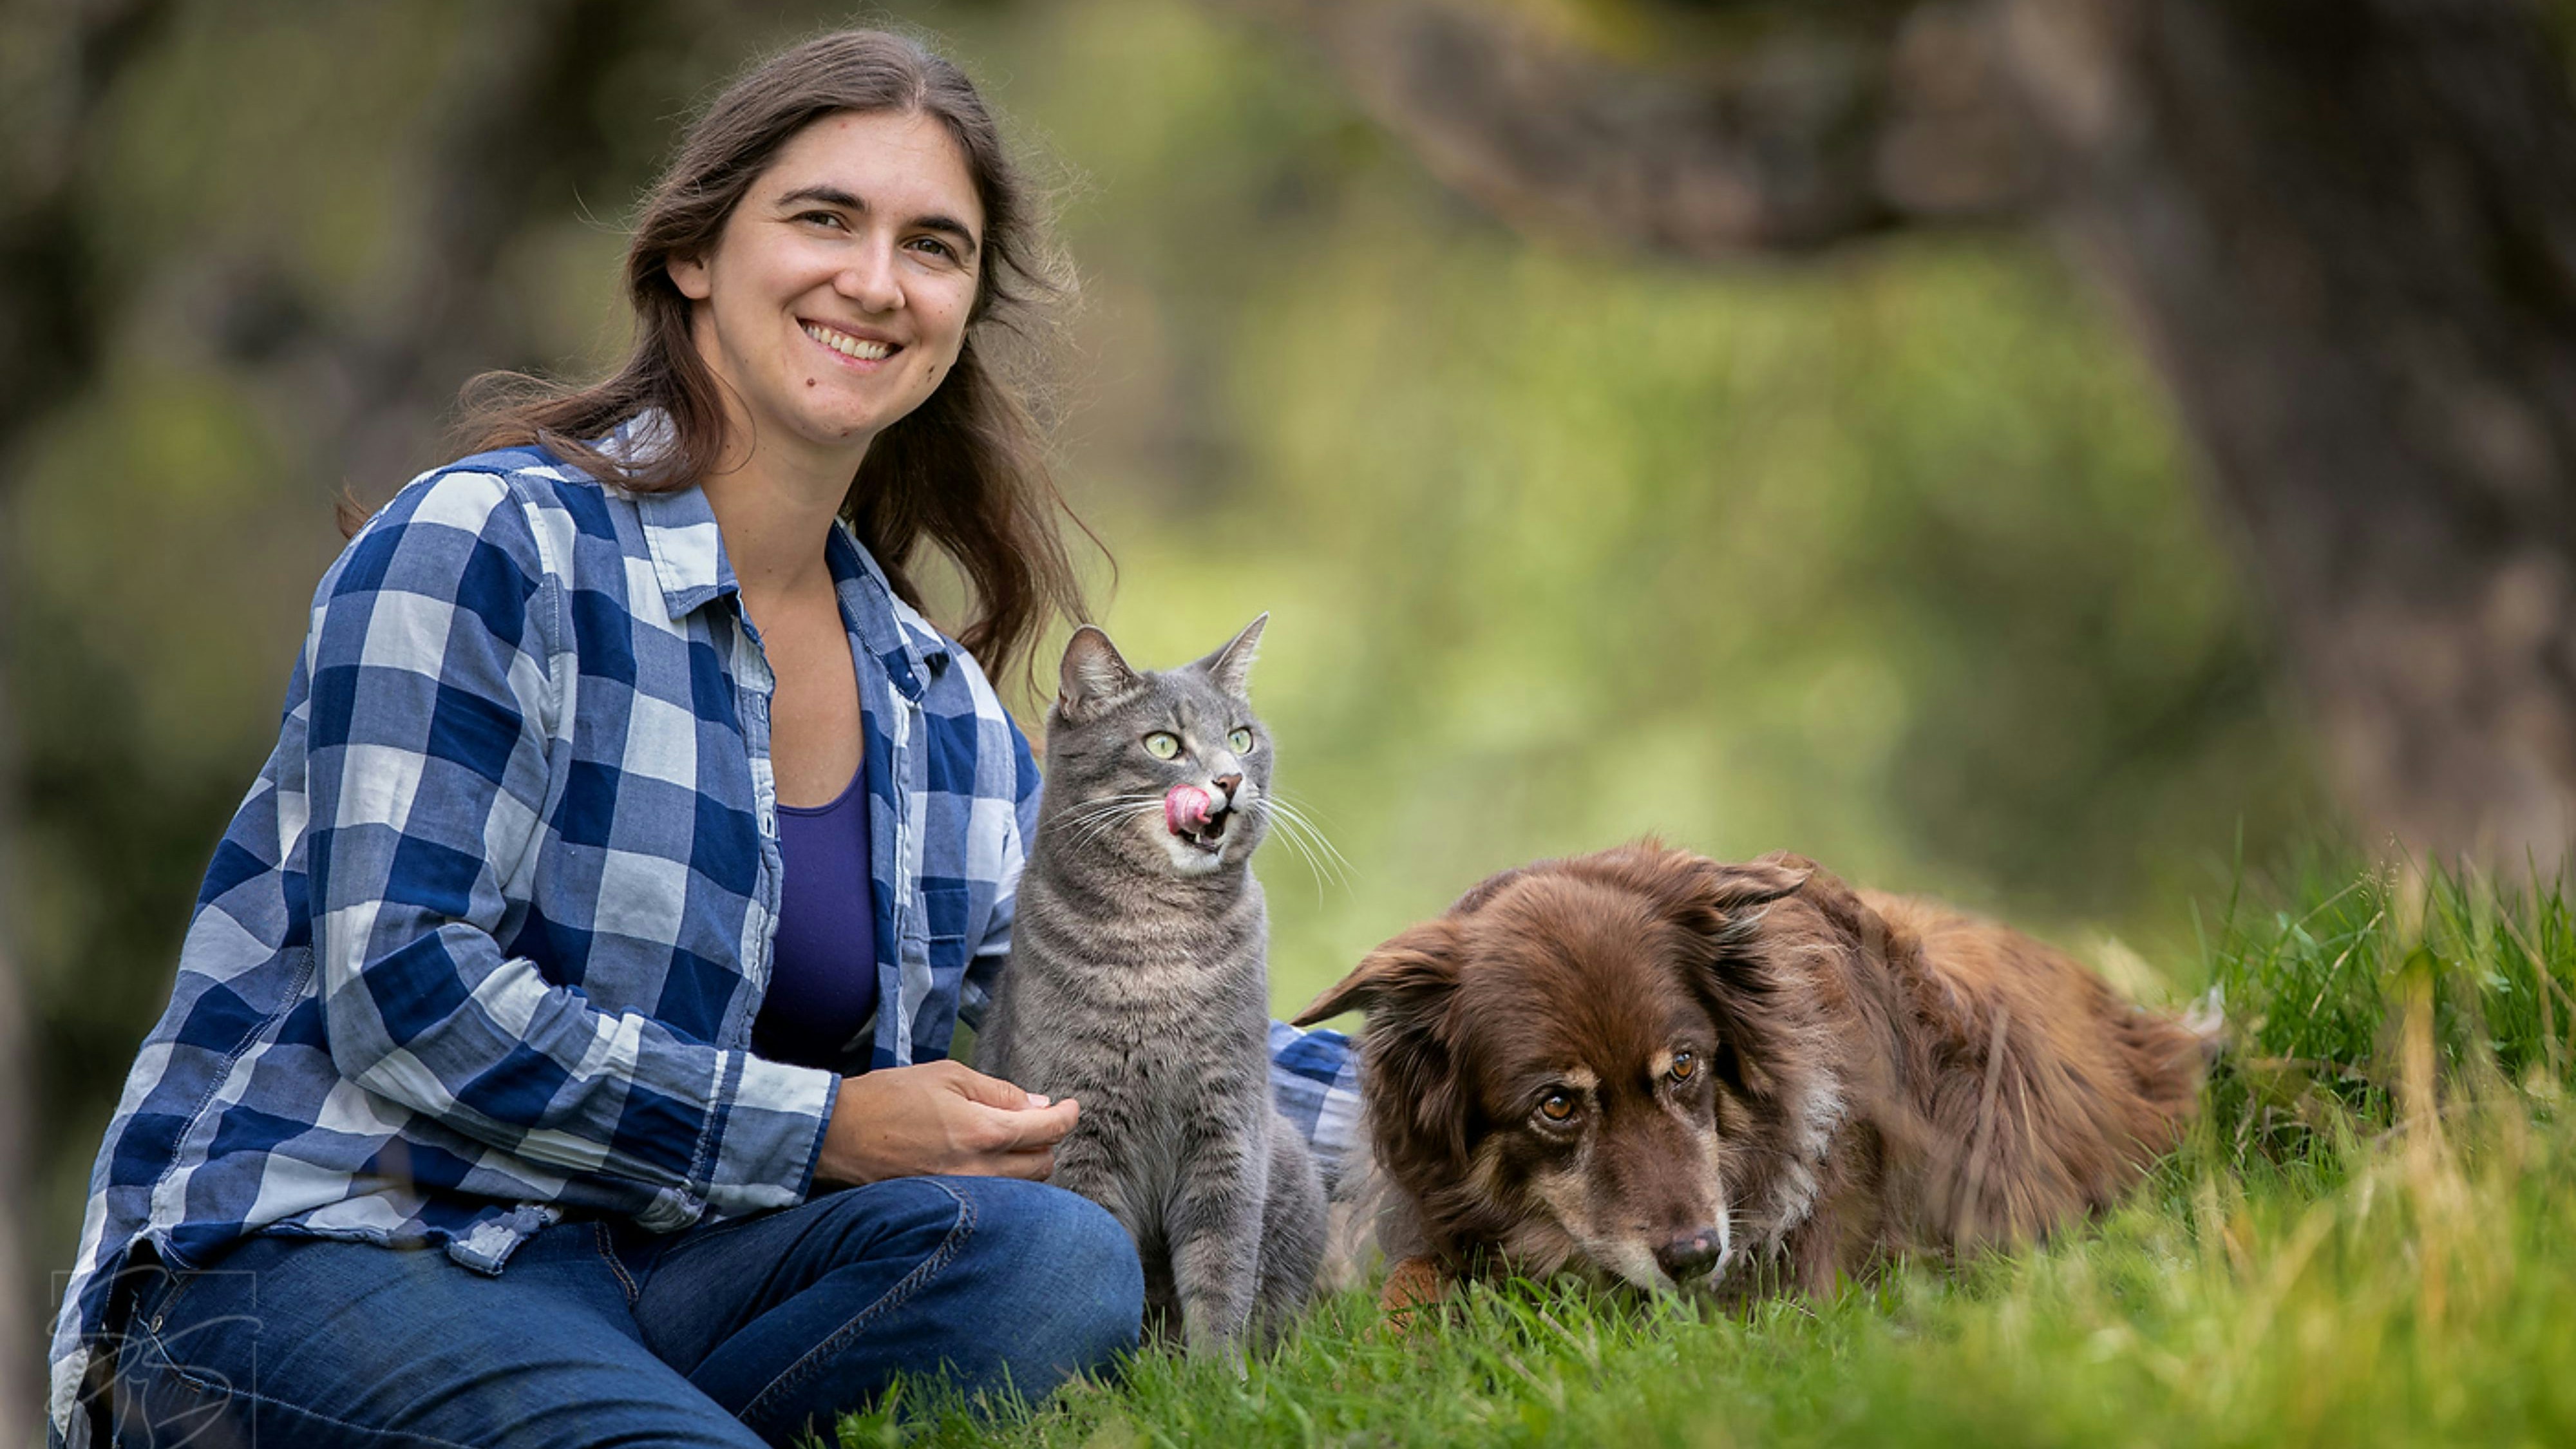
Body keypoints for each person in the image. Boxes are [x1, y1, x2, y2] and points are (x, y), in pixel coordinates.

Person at [46, 29, 1358, 1449]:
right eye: (822, 219)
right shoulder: (488, 547)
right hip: (337, 1250)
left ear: (963, 309)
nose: (874, 280)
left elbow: (1157, 1013)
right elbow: (405, 993)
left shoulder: (931, 707)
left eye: (933, 246)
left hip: (675, 1283)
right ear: (691, 256)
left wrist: (1500, 1088)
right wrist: (821, 1129)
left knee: (1057, 1263)